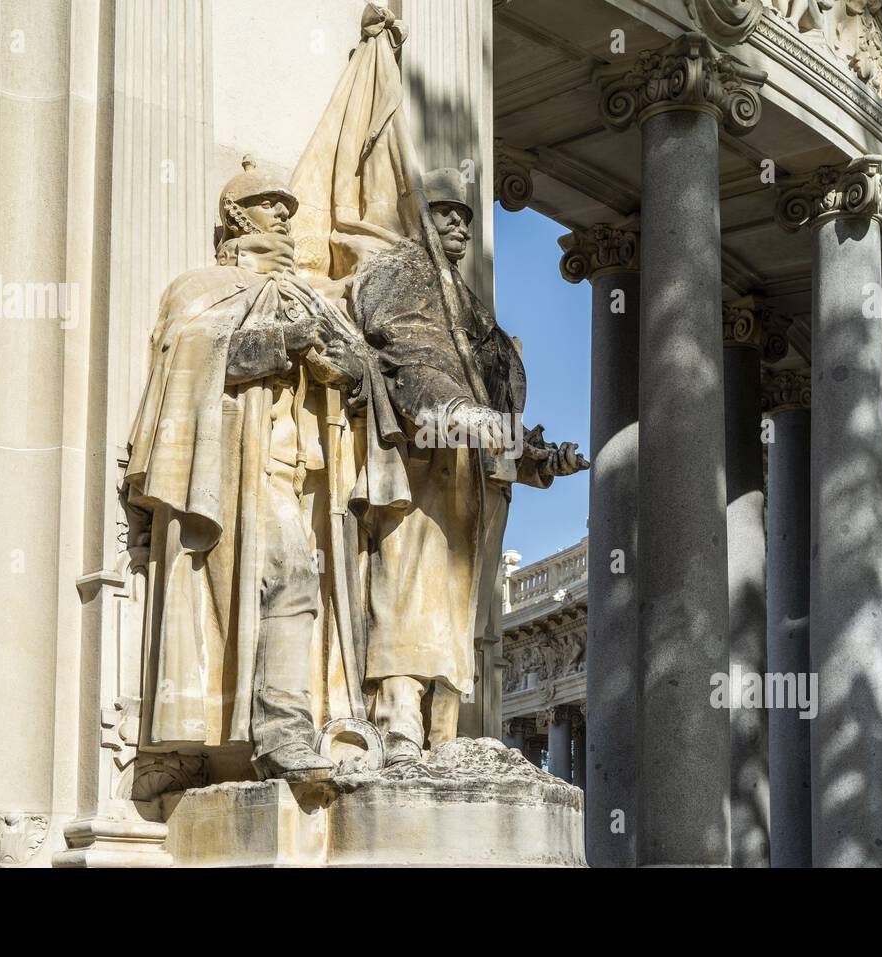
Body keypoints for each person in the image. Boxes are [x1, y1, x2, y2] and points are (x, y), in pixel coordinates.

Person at [125, 159, 362, 783]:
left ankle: (284, 732)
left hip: (296, 465)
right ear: (236, 214)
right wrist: (278, 343)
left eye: (289, 205)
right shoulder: (202, 285)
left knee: (298, 587)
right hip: (231, 463)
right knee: (275, 583)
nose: (284, 214)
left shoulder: (307, 293)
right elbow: (187, 356)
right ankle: (266, 736)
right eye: (268, 203)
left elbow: (356, 373)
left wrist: (334, 355)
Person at [349, 168, 588, 765]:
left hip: (471, 473)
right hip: (421, 463)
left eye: (466, 216)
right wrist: (455, 411)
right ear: (417, 215)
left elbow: (490, 397)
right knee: (410, 589)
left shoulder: (465, 301)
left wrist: (534, 455)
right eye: (444, 211)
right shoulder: (398, 273)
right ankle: (398, 720)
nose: (458, 223)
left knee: (459, 613)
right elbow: (405, 353)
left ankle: (441, 732)